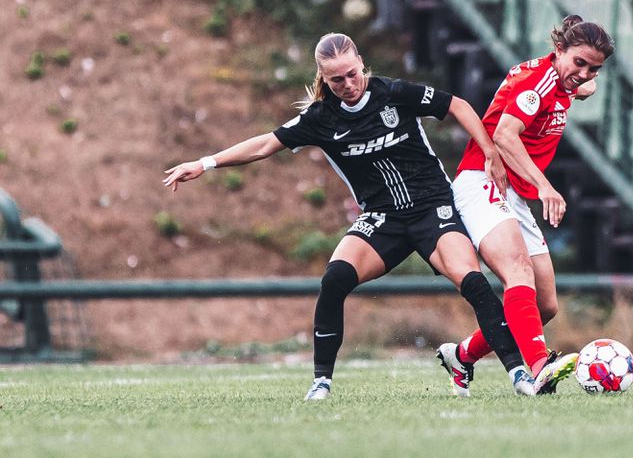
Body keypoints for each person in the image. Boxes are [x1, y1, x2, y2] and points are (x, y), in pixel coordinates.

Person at [163, 32, 554, 400]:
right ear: (323, 78)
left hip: (432, 208)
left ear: (362, 65)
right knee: (334, 279)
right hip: (383, 218)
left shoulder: (395, 93)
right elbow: (266, 144)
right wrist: (206, 162)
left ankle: (518, 375)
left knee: (472, 281)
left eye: (352, 74)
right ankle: (321, 383)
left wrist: (488, 151)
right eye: (336, 80)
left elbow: (458, 105)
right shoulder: (321, 118)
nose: (348, 84)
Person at [435, 15, 615, 396]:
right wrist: (547, 188)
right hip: (482, 180)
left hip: (514, 192)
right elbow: (504, 135)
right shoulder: (538, 82)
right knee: (517, 269)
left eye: (593, 68)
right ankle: (538, 367)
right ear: (558, 51)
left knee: (545, 305)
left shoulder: (564, 82)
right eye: (578, 63)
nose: (583, 73)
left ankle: (463, 356)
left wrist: (582, 84)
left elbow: (584, 87)